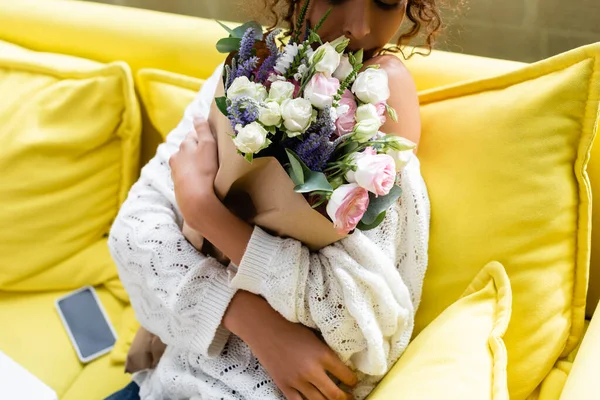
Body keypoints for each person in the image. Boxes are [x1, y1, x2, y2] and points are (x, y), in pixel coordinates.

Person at [106, 0, 438, 398]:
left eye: (386, 1)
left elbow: (363, 325)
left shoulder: (382, 159)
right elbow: (133, 236)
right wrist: (250, 320)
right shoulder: (241, 82)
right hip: (167, 384)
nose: (362, 28)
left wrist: (208, 215)